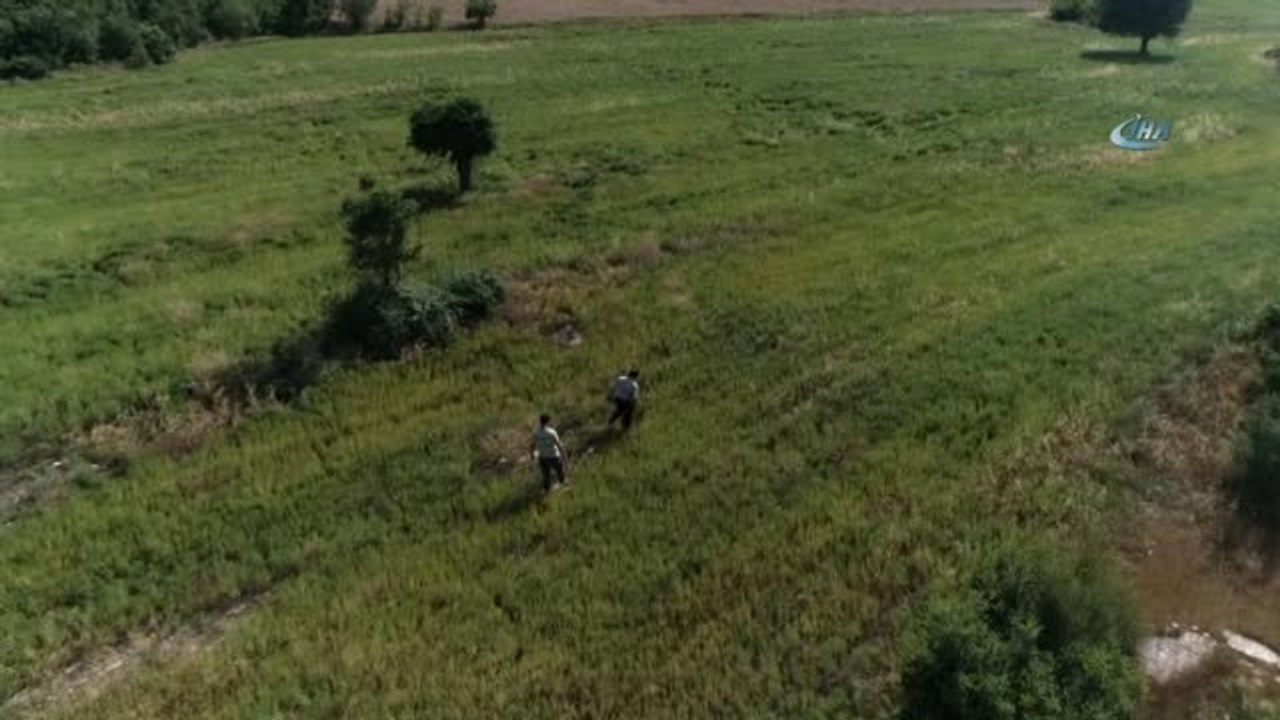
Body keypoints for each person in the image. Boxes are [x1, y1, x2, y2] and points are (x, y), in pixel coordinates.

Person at [530, 414, 568, 492]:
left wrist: (532, 454)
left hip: (543, 456)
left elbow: (532, 445)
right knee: (560, 472)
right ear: (548, 421)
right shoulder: (552, 432)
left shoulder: (536, 433)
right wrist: (564, 455)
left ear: (540, 421)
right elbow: (558, 444)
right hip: (554, 455)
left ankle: (547, 490)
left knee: (546, 475)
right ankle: (563, 486)